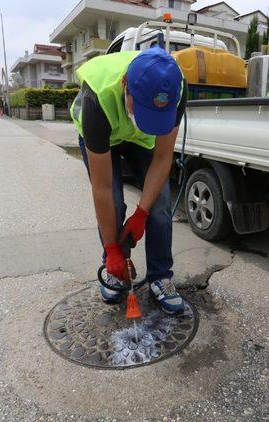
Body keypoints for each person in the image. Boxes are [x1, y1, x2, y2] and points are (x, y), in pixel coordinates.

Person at [70, 46, 187, 314]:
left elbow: (162, 158)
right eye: (144, 110)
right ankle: (114, 268)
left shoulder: (175, 87)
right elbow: (101, 189)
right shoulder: (97, 96)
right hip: (104, 134)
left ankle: (160, 276)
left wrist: (142, 213)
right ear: (125, 86)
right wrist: (113, 247)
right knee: (114, 201)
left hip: (141, 144)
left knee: (159, 206)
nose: (146, 122)